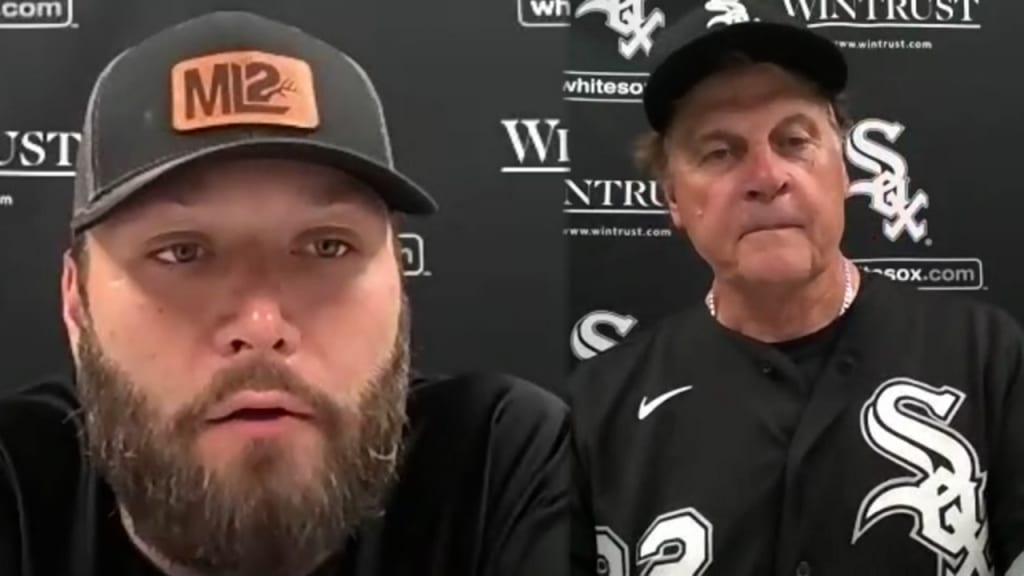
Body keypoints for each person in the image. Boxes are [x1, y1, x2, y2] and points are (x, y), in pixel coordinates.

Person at [0, 11, 568, 576]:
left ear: (401, 284)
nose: (262, 323)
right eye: (182, 252)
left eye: (327, 247)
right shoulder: (16, 488)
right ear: (78, 305)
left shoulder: (497, 468)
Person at [569, 2, 1024, 575]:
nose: (766, 177)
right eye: (719, 151)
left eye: (794, 140)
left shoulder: (987, 357)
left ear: (845, 170)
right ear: (673, 200)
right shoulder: (595, 411)